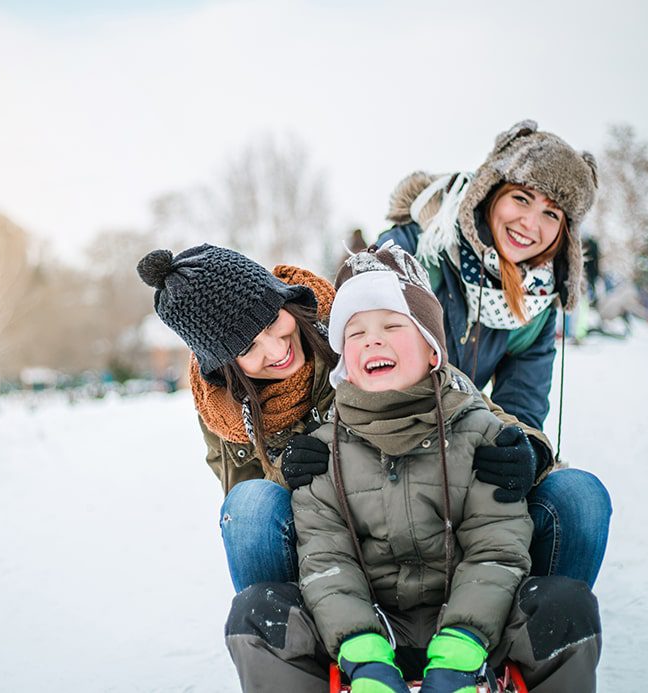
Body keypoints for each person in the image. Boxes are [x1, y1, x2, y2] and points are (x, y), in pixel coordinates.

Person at [226, 244, 600, 693]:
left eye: (392, 325)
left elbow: (496, 548)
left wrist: (462, 647)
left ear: (432, 349)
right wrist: (363, 654)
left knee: (565, 604)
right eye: (356, 333)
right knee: (257, 613)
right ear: (344, 363)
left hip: (475, 625)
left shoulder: (477, 432)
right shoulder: (324, 452)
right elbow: (327, 560)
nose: (372, 340)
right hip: (368, 628)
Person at [137, 244, 551, 593]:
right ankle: (286, 644)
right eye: (247, 347)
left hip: (426, 514)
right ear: (225, 365)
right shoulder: (224, 411)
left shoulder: (356, 328)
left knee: (573, 494)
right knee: (248, 506)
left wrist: (529, 448)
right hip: (326, 542)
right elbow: (251, 509)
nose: (274, 348)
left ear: (285, 300)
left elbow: (452, 392)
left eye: (270, 322)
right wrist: (288, 472)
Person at [376, 120, 611, 587]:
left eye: (553, 214)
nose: (531, 224)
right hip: (387, 454)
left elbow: (524, 405)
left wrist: (524, 451)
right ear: (490, 192)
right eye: (521, 199)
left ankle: (536, 629)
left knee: (581, 498)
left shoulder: (538, 303)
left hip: (464, 460)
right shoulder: (417, 249)